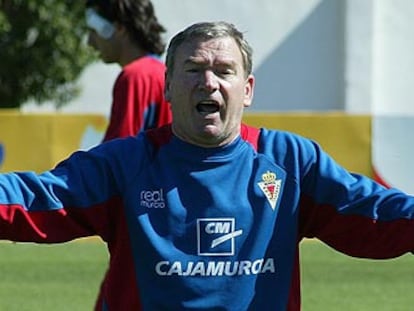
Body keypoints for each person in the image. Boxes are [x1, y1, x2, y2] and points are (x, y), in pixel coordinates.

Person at [1, 21, 414, 311]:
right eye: (193, 69)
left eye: (224, 71)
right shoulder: (126, 164)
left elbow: (374, 214)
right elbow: (38, 198)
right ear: (167, 87)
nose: (209, 82)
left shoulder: (290, 162)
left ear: (247, 90)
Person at [85, 0, 172, 142]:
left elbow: (118, 155)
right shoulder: (164, 72)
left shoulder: (136, 76)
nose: (90, 41)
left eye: (94, 31)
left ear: (119, 29)